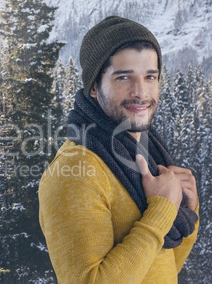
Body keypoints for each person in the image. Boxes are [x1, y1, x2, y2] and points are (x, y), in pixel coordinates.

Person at [38, 16, 199, 283]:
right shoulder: (74, 170)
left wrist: (186, 214)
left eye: (150, 77)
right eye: (124, 77)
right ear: (93, 86)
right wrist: (161, 211)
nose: (141, 92)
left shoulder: (147, 154)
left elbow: (159, 272)